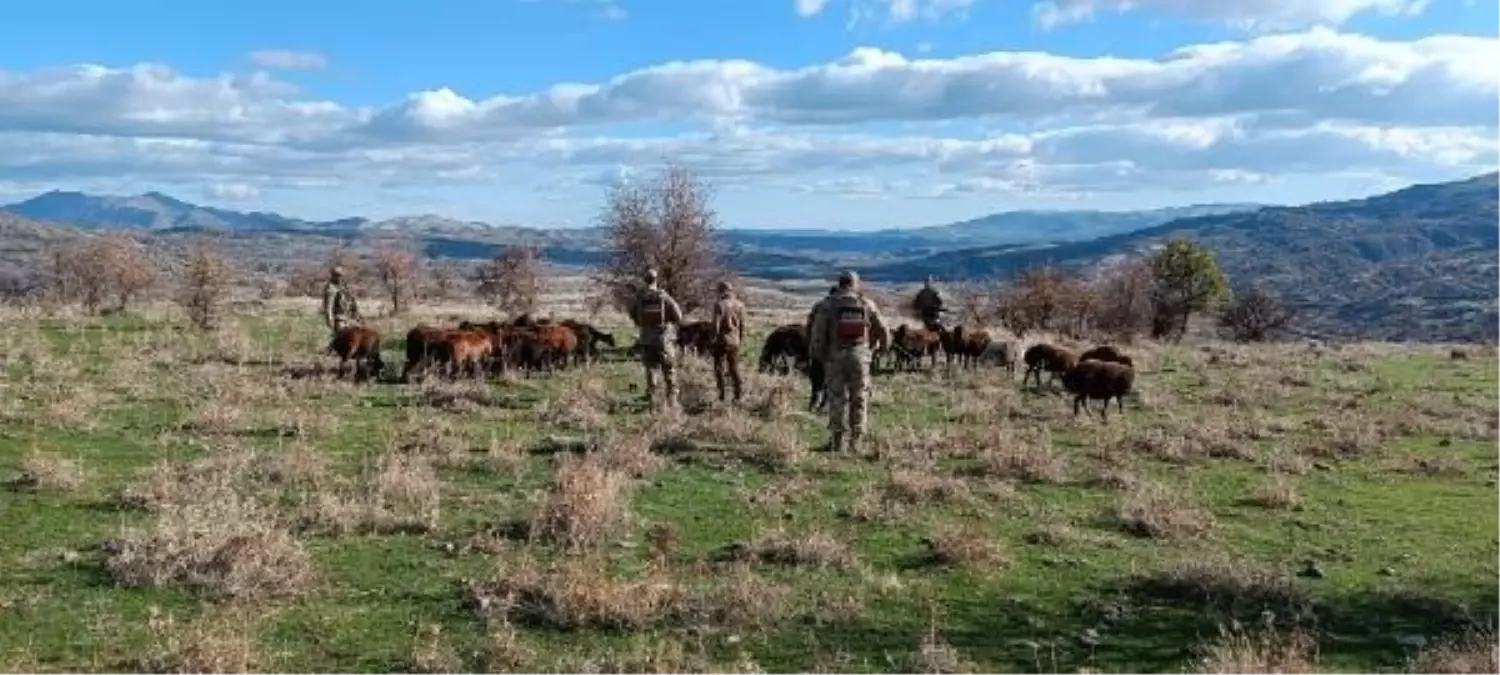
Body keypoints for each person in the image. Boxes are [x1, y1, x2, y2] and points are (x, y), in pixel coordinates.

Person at [808, 271, 889, 453]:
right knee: (859, 398)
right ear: (855, 284)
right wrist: (880, 351)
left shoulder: (826, 304)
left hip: (834, 357)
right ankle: (856, 442)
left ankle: (837, 442)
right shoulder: (866, 304)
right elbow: (883, 330)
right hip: (860, 357)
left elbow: (818, 334)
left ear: (839, 283)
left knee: (837, 398)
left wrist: (818, 357)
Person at [627, 268, 684, 410]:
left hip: (646, 339)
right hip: (664, 340)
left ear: (644, 280)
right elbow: (679, 316)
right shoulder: (664, 296)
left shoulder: (640, 297)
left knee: (651, 370)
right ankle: (672, 401)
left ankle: (653, 399)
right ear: (656, 279)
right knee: (669, 370)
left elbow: (632, 314)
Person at [710, 280, 747, 403]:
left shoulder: (719, 305)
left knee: (719, 368)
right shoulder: (740, 305)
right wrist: (740, 340)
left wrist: (712, 339)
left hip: (721, 341)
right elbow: (743, 326)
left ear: (721, 291)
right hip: (735, 341)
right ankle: (738, 395)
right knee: (734, 368)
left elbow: (716, 326)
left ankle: (722, 396)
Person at [322, 266, 361, 336]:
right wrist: (330, 319)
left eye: (341, 275)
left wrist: (356, 315)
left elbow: (352, 302)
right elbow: (328, 306)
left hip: (349, 318)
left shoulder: (344, 287)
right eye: (337, 275)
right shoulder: (331, 288)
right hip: (339, 319)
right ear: (333, 275)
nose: (340, 277)